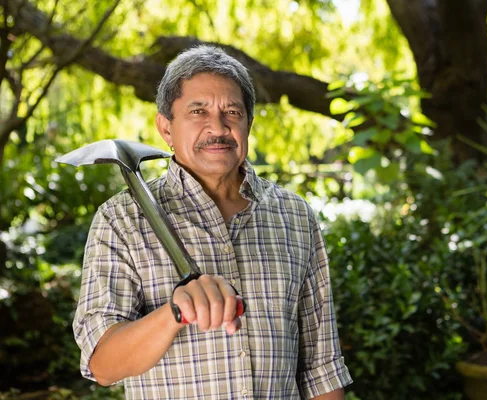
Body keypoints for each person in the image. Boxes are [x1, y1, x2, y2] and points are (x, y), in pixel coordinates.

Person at [73, 45, 352, 399]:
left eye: (232, 112)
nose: (217, 127)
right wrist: (173, 312)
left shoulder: (294, 216)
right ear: (166, 127)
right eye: (198, 111)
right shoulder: (120, 220)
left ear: (249, 123)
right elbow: (103, 364)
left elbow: (321, 369)